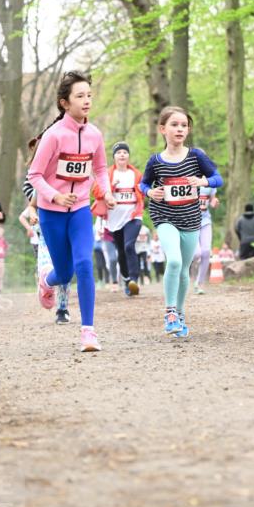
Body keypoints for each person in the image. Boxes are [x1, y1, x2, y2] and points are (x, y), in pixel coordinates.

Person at [27, 71, 114, 352]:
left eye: (89, 95)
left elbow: (100, 168)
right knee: (63, 274)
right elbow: (34, 175)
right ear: (65, 103)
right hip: (51, 212)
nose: (87, 100)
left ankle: (88, 332)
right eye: (80, 96)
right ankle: (46, 280)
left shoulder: (94, 134)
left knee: (84, 265)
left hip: (79, 210)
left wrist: (107, 191)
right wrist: (55, 195)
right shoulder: (53, 136)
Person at [141, 106, 223, 338]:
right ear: (162, 129)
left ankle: (180, 313)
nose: (179, 129)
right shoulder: (155, 161)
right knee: (174, 261)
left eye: (184, 125)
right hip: (164, 216)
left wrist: (203, 181)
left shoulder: (196, 156)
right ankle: (169, 314)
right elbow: (143, 184)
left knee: (184, 269)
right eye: (174, 125)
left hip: (190, 219)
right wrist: (149, 193)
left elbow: (218, 179)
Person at [22, 153, 72, 326]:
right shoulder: (40, 184)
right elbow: (31, 206)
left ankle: (62, 309)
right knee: (48, 270)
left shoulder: (70, 183)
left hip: (65, 234)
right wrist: (33, 216)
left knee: (65, 273)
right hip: (44, 238)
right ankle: (46, 284)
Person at [93, 142, 144, 297]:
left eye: (125, 152)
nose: (122, 154)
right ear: (114, 156)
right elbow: (95, 192)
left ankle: (134, 279)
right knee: (121, 251)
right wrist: (110, 187)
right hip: (114, 219)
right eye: (119, 152)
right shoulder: (108, 174)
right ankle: (127, 280)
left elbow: (144, 190)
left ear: (128, 156)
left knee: (129, 246)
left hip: (133, 216)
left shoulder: (136, 174)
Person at [193, 187, 219, 294]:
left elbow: (212, 199)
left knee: (206, 251)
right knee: (197, 253)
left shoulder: (210, 181)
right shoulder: (189, 177)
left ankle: (199, 283)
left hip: (205, 220)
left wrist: (214, 202)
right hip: (190, 221)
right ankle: (184, 270)